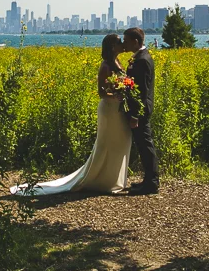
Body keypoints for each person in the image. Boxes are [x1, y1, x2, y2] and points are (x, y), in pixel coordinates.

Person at [10, 33, 132, 196]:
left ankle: (111, 179)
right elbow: (101, 93)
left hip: (117, 109)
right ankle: (101, 180)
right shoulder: (105, 66)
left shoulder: (117, 62)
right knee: (106, 144)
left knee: (118, 143)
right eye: (119, 42)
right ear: (112, 47)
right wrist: (115, 96)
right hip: (109, 110)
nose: (123, 43)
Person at [122, 27, 160, 195]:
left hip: (141, 109)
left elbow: (142, 91)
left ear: (135, 42)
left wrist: (136, 114)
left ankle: (152, 182)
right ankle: (148, 180)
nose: (124, 43)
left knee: (146, 145)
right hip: (140, 108)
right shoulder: (140, 57)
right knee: (143, 145)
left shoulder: (142, 60)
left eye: (126, 40)